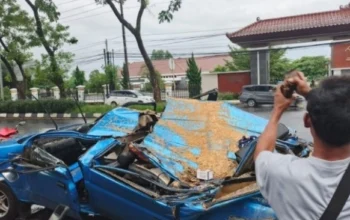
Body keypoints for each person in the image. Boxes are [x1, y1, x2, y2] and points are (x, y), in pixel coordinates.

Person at [254, 72, 350, 220]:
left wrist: (277, 110)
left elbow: (262, 153)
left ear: (306, 121)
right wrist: (311, 95)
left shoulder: (280, 172)